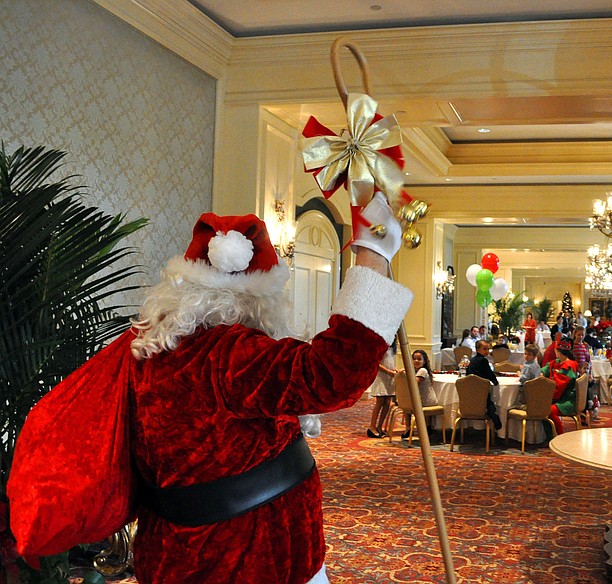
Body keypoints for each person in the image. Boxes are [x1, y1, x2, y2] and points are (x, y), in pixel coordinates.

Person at [11, 197, 413, 584]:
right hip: (247, 555)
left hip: (173, 549)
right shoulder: (229, 354)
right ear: (258, 297)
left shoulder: (147, 349)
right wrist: (372, 256)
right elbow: (332, 376)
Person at [540, 340, 580, 435]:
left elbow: (558, 388)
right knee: (540, 407)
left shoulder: (568, 366)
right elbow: (543, 370)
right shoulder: (557, 362)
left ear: (558, 351)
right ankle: (548, 436)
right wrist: (541, 373)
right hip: (559, 398)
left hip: (567, 400)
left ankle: (558, 436)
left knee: (545, 410)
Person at [401, 349, 439, 438]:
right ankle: (410, 428)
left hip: (427, 400)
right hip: (418, 400)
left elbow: (414, 383)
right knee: (408, 402)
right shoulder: (414, 371)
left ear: (424, 361)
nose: (416, 361)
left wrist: (405, 374)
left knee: (409, 402)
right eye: (414, 359)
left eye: (419, 359)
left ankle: (410, 428)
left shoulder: (423, 370)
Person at [466, 339, 502, 430]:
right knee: (488, 399)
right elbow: (489, 373)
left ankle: (492, 412)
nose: (487, 351)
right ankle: (492, 413)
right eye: (485, 349)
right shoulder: (483, 361)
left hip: (471, 390)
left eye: (488, 349)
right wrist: (495, 381)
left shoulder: (472, 360)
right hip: (481, 388)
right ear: (478, 350)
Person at [367, 339, 399, 438]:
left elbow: (390, 361)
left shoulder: (392, 347)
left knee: (387, 402)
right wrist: (388, 371)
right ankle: (372, 427)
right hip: (381, 376)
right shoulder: (379, 345)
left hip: (389, 377)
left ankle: (380, 426)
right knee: (380, 401)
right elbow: (375, 363)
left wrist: (394, 369)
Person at [511, 344, 542, 409]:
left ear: (534, 356)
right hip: (534, 391)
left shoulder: (528, 366)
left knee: (512, 404)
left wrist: (519, 374)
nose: (526, 356)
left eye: (529, 354)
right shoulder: (536, 365)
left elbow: (524, 379)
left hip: (526, 391)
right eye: (525, 353)